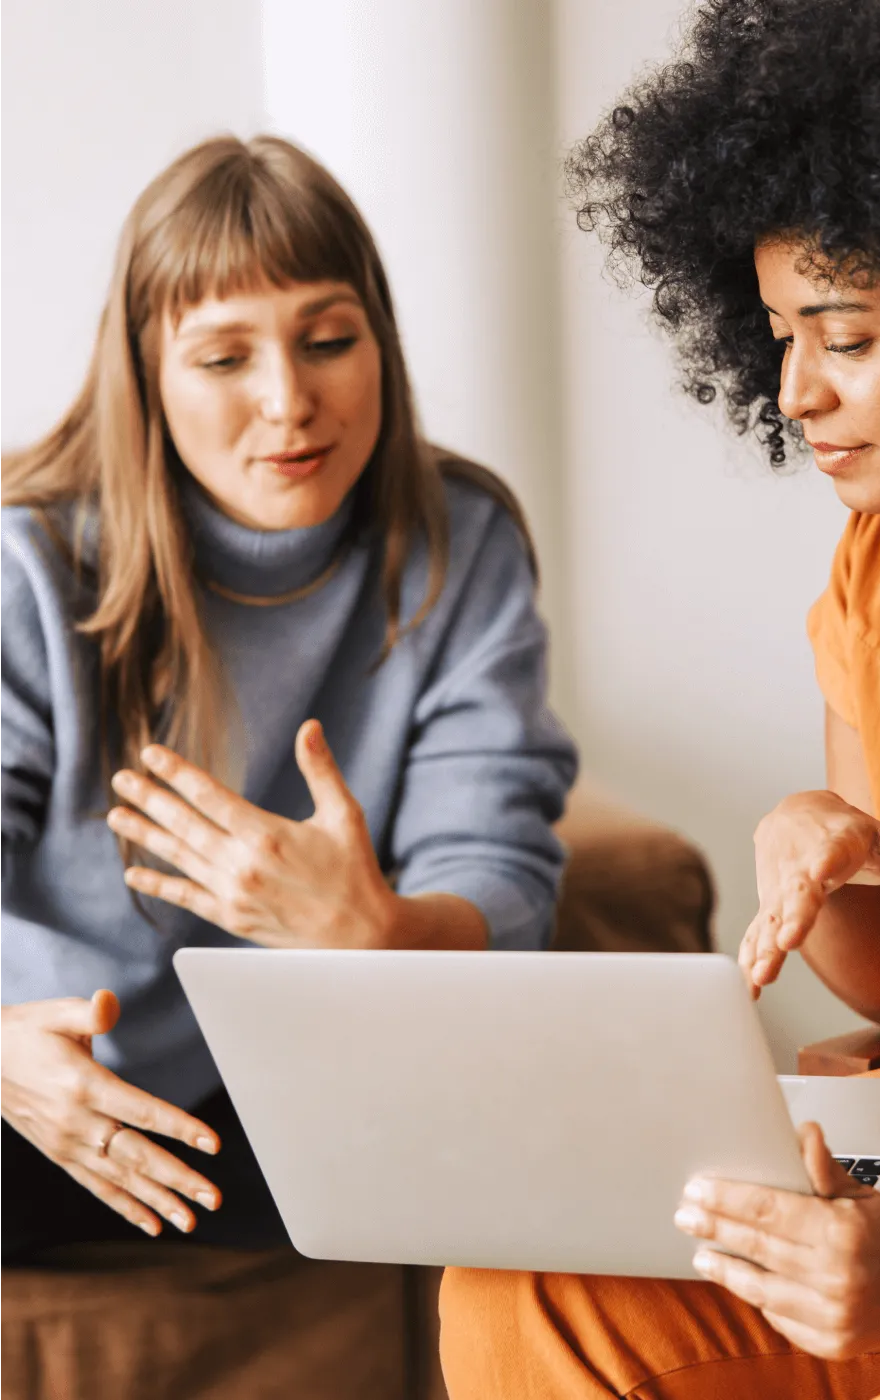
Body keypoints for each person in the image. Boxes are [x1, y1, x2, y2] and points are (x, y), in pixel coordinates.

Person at [439, 0, 880, 1394]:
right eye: (775, 334)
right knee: (541, 1287)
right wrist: (828, 846)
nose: (794, 392)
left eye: (846, 336)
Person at [0, 134, 576, 1256]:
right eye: (223, 359)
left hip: (302, 1088)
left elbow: (498, 868)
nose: (288, 401)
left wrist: (377, 928)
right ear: (147, 376)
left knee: (573, 1154)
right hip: (41, 1072)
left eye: (327, 340)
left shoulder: (461, 541)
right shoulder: (30, 563)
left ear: (379, 344)